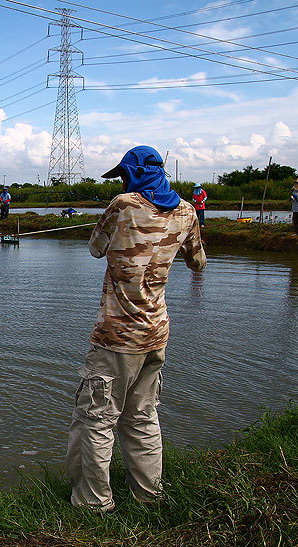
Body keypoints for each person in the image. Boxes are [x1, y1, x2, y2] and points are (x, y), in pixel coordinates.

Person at [66, 145, 206, 513]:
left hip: (115, 337)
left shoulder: (123, 204)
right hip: (156, 332)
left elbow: (96, 248)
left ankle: (93, 504)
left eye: (124, 174)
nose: (123, 181)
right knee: (142, 417)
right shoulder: (188, 210)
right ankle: (148, 497)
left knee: (95, 419)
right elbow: (198, 262)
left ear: (132, 172)